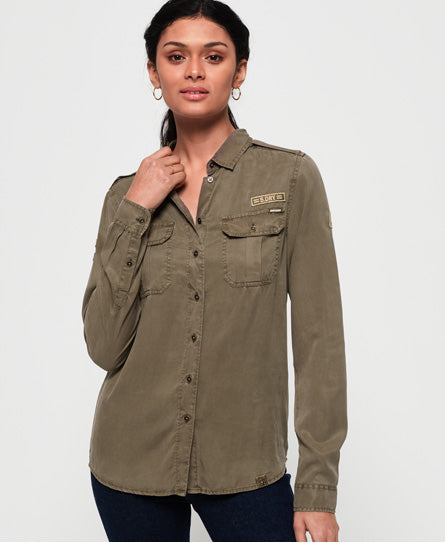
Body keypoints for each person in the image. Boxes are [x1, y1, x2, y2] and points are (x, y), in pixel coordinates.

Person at [81, 0, 348, 541]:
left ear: (240, 70)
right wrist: (136, 209)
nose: (195, 71)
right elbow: (103, 347)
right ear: (154, 72)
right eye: (176, 56)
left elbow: (320, 341)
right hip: (129, 465)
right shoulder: (125, 196)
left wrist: (317, 488)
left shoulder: (290, 178)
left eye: (214, 56)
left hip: (246, 469)